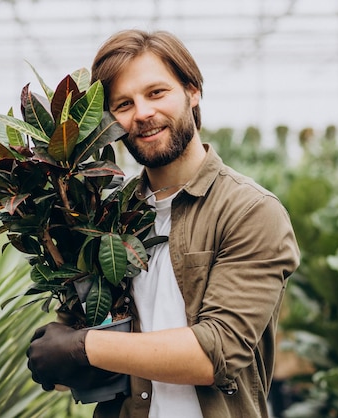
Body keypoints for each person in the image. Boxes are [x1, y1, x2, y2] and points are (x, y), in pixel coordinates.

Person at [27, 29, 300, 418]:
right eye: (124, 104)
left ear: (192, 92)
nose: (142, 113)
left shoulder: (250, 210)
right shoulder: (104, 220)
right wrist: (57, 355)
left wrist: (80, 347)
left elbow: (216, 351)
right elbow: (69, 360)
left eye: (156, 93)